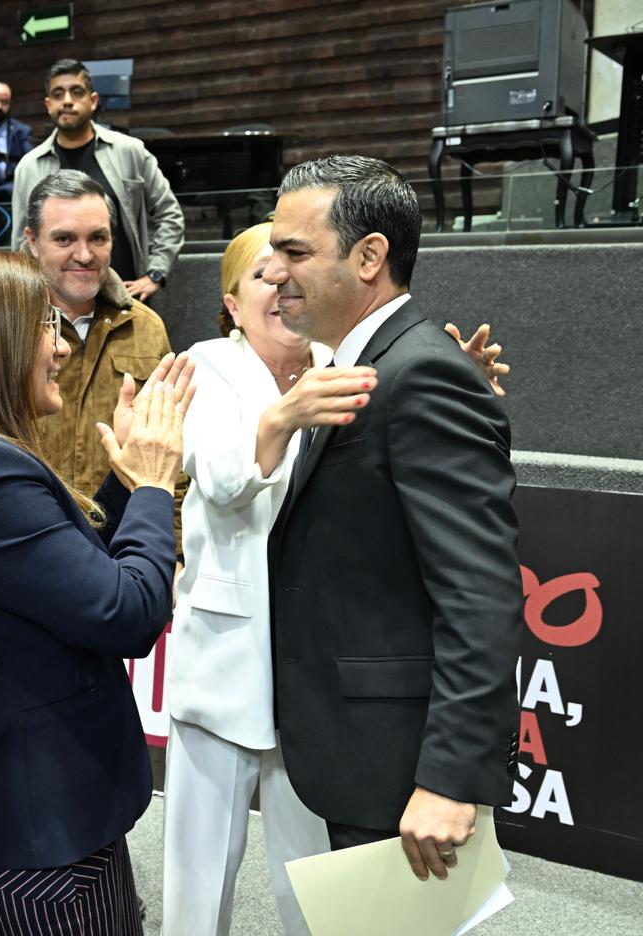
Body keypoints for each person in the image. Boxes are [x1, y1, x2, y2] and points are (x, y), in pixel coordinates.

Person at [0, 249, 192, 934]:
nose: (62, 348)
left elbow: (62, 570)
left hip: (38, 810)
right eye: (46, 328)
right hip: (37, 825)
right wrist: (152, 484)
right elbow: (127, 612)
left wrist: (124, 482)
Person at [263, 155, 522, 877]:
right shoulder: (365, 365)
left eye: (294, 252)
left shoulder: (421, 372)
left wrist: (450, 777)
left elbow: (479, 592)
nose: (273, 271)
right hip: (352, 748)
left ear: (369, 256)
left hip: (401, 767)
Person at [23, 169, 185, 549]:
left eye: (98, 237)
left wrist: (174, 550)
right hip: (26, 547)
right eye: (64, 238)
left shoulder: (145, 327)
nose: (84, 255)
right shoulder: (6, 325)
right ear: (32, 241)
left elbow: (169, 454)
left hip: (122, 547)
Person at [12, 59, 184, 304]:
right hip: (56, 306)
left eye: (76, 92)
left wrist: (156, 273)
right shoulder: (29, 167)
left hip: (126, 299)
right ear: (48, 105)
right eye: (58, 94)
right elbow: (21, 243)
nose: (67, 101)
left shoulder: (130, 151)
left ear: (93, 101)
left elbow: (169, 213)